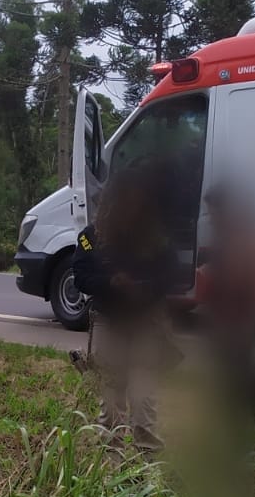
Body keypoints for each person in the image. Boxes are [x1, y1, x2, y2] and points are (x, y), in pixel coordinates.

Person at [72, 169, 179, 453]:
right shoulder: (90, 238)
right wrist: (111, 282)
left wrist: (145, 287)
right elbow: (80, 276)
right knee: (110, 402)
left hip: (145, 324)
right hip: (109, 321)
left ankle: (149, 469)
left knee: (144, 400)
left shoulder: (155, 236)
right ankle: (110, 468)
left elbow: (171, 274)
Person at [197, 184, 255, 495]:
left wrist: (242, 342)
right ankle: (235, 476)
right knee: (230, 409)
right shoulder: (230, 240)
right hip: (233, 340)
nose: (212, 218)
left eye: (215, 212)